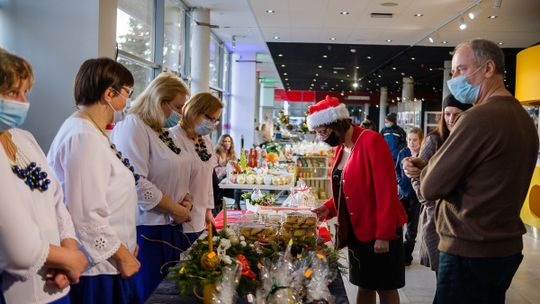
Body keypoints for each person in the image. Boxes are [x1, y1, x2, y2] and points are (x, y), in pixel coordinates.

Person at [403, 39, 538, 304]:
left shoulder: (477, 118)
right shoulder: (523, 118)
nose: (453, 79)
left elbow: (431, 188)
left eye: (460, 70)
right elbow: (485, 175)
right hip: (502, 248)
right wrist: (429, 167)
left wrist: (426, 171)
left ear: (488, 68)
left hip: (469, 249)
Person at [47, 58, 142, 304]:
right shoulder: (83, 136)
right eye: (127, 93)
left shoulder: (95, 133)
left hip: (111, 261)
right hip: (97, 269)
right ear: (109, 93)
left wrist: (127, 244)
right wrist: (122, 256)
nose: (128, 101)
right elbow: (85, 215)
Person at [0, 49, 88, 304]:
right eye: (12, 93)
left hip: (57, 283)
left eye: (25, 92)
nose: (23, 101)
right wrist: (69, 260)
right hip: (17, 292)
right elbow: (18, 249)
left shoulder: (23, 138)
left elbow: (57, 200)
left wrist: (68, 252)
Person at [310, 96, 407, 304]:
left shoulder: (371, 140)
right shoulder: (341, 147)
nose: (321, 138)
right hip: (357, 230)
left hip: (380, 229)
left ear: (338, 123)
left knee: (386, 288)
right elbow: (348, 187)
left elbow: (386, 191)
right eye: (318, 133)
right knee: (364, 285)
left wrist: (384, 234)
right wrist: (329, 207)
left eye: (323, 132)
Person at [110, 72, 192, 301]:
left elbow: (177, 170)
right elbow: (135, 181)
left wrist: (186, 198)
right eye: (177, 107)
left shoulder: (162, 130)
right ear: (159, 101)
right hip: (149, 226)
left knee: (172, 292)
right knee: (152, 293)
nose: (179, 114)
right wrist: (176, 209)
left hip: (172, 223)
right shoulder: (134, 126)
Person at [408, 94, 471, 304]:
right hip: (436, 219)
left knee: (455, 283)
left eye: (457, 114)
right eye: (447, 114)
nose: (451, 119)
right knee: (445, 278)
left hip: (463, 221)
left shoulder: (469, 139)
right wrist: (429, 200)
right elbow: (416, 176)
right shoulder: (435, 139)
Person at [170, 92, 224, 248]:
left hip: (201, 216)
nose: (212, 124)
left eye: (215, 120)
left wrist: (209, 209)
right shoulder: (173, 137)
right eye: (209, 118)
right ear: (194, 111)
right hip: (180, 217)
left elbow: (207, 179)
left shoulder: (205, 140)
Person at [395, 127, 423, 266]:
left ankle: (407, 255)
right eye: (409, 140)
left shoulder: (423, 154)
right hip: (402, 193)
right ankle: (397, 254)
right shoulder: (403, 152)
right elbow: (396, 171)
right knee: (398, 225)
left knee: (412, 228)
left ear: (421, 140)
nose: (412, 143)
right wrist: (400, 181)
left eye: (415, 140)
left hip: (417, 196)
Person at [212, 134, 240, 211]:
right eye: (225, 141)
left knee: (238, 184)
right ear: (221, 142)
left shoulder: (232, 154)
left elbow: (236, 167)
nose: (227, 143)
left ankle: (237, 205)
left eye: (229, 141)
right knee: (224, 182)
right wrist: (227, 169)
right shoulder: (216, 153)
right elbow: (214, 169)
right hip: (218, 179)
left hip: (230, 179)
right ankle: (217, 206)